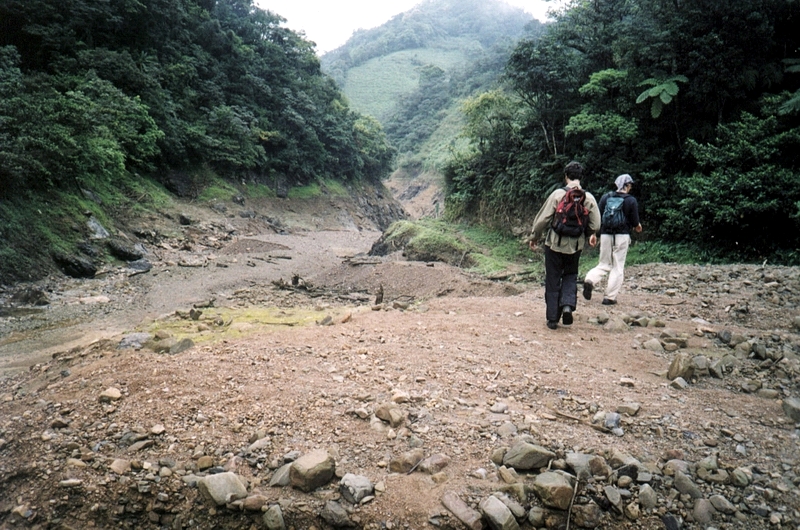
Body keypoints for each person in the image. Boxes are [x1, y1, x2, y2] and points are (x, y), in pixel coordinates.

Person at [529, 161, 600, 329]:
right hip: (576, 246)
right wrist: (591, 234)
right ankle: (567, 305)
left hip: (554, 243)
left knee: (553, 278)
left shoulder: (557, 194)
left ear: (566, 177)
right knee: (570, 275)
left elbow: (543, 219)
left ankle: (552, 319)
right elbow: (595, 223)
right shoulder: (587, 197)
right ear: (581, 178)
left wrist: (535, 236)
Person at [583, 173, 642, 305]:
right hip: (622, 236)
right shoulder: (631, 200)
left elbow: (597, 218)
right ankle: (609, 297)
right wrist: (638, 227)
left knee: (604, 264)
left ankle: (590, 280)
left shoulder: (606, 198)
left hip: (605, 235)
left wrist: (594, 234)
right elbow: (635, 222)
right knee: (617, 266)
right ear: (626, 185)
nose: (631, 187)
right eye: (630, 185)